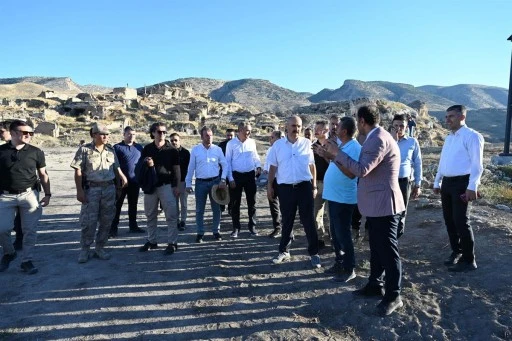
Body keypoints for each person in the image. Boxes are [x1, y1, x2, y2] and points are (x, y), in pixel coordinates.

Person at [318, 105, 405, 316]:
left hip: (385, 205)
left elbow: (361, 170)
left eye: (358, 121)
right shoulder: (375, 137)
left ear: (363, 121)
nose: (357, 125)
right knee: (376, 248)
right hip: (376, 205)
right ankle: (375, 284)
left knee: (387, 251)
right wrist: (333, 156)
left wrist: (336, 153)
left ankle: (394, 295)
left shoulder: (378, 139)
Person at [434, 105, 484, 272]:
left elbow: (478, 165)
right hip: (447, 183)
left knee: (461, 221)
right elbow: (443, 161)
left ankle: (469, 260)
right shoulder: (449, 138)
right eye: (446, 116)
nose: (447, 120)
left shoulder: (472, 137)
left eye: (451, 116)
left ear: (462, 117)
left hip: (463, 183)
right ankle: (456, 252)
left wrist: (472, 187)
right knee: (449, 220)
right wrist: (437, 181)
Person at [266, 115, 321, 269]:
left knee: (308, 221)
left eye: (298, 126)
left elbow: (312, 166)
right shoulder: (277, 146)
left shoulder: (306, 143)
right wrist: (270, 186)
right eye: (293, 126)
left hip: (304, 187)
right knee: (287, 221)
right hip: (285, 189)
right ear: (286, 126)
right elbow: (272, 167)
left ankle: (314, 253)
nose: (296, 129)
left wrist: (314, 186)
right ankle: (284, 251)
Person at [71, 123, 128, 264]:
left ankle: (100, 247)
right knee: (88, 221)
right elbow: (78, 171)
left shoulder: (110, 150)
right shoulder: (84, 150)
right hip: (92, 190)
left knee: (107, 220)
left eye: (107, 134)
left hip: (109, 189)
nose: (106, 137)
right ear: (94, 135)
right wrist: (79, 191)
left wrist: (122, 176)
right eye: (102, 134)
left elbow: (116, 167)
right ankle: (85, 249)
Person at [0, 120, 51, 274]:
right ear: (14, 133)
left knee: (30, 230)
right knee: (2, 229)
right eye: (25, 132)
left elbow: (43, 174)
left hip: (29, 195)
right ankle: (9, 253)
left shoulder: (36, 152)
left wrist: (47, 194)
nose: (29, 135)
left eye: (31, 133)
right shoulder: (1, 151)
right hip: (5, 196)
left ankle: (26, 261)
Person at [320, 116, 361, 282]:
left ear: (344, 131)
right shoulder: (342, 145)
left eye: (338, 127)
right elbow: (335, 164)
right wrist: (326, 155)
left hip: (344, 198)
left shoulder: (355, 148)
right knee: (335, 234)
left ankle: (350, 268)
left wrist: (332, 157)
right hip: (333, 196)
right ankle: (339, 263)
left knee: (343, 234)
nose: (334, 128)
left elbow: (351, 173)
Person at [138, 122, 181, 255]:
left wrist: (177, 186)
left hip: (167, 186)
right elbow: (140, 167)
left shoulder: (172, 150)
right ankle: (152, 241)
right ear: (153, 133)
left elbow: (177, 170)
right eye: (159, 132)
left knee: (171, 216)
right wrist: (148, 164)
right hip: (151, 187)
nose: (162, 134)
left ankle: (172, 243)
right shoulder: (147, 149)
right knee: (150, 215)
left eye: (164, 132)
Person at [186, 126, 228, 243]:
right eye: (206, 135)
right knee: (200, 210)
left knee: (217, 209)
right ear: (201, 136)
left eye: (211, 135)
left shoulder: (217, 150)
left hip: (216, 183)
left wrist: (223, 179)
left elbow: (224, 165)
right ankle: (200, 233)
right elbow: (191, 167)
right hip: (200, 183)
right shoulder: (195, 150)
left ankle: (216, 231)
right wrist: (188, 183)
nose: (209, 138)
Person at [225, 121, 261, 238]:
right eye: (247, 130)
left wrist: (258, 166)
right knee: (235, 203)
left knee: (252, 202)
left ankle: (252, 226)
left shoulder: (252, 142)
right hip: (236, 176)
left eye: (250, 130)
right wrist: (230, 178)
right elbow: (227, 162)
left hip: (250, 175)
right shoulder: (231, 144)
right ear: (240, 130)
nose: (249, 133)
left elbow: (255, 156)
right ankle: (236, 228)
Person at [390, 114, 423, 238]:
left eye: (402, 126)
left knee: (402, 210)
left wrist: (418, 184)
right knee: (387, 210)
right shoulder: (386, 141)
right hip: (387, 181)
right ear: (391, 127)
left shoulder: (412, 142)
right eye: (396, 126)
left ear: (406, 127)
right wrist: (393, 141)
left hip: (404, 182)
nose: (399, 129)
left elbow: (418, 163)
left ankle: (396, 237)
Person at [110, 126, 144, 237]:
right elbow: (114, 165)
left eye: (133, 134)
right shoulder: (117, 147)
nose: (131, 136)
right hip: (120, 183)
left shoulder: (139, 147)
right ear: (124, 134)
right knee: (117, 205)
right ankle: (113, 228)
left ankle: (133, 226)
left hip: (135, 182)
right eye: (129, 134)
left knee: (133, 204)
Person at [0, 122, 23, 250]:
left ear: (11, 132)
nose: (0, 134)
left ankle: (19, 241)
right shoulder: (2, 149)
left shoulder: (24, 148)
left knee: (20, 220)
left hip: (23, 190)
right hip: (5, 190)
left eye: (2, 131)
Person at [312, 120, 330, 246]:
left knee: (331, 214)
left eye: (319, 129)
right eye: (315, 128)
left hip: (331, 184)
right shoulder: (313, 146)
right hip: (317, 183)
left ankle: (333, 237)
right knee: (316, 213)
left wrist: (324, 155)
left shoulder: (332, 145)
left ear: (326, 130)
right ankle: (320, 238)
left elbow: (337, 164)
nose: (316, 131)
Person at [170, 133, 190, 231]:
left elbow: (189, 169)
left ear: (179, 140)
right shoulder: (167, 153)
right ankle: (176, 221)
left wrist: (188, 182)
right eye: (172, 140)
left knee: (183, 203)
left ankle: (183, 221)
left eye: (175, 140)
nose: (174, 142)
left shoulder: (186, 153)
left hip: (183, 181)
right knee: (174, 203)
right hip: (172, 183)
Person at [264, 130, 283, 238]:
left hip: (282, 180)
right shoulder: (270, 150)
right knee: (273, 203)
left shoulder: (283, 148)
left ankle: (289, 230)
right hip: (272, 180)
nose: (270, 139)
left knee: (285, 206)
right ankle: (277, 227)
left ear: (277, 138)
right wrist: (265, 171)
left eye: (272, 137)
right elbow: (268, 164)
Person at [218, 128, 235, 213]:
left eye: (231, 135)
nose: (230, 137)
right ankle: (222, 206)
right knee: (222, 189)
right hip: (222, 171)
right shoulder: (221, 145)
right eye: (228, 135)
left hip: (233, 171)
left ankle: (231, 208)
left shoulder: (236, 144)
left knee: (232, 190)